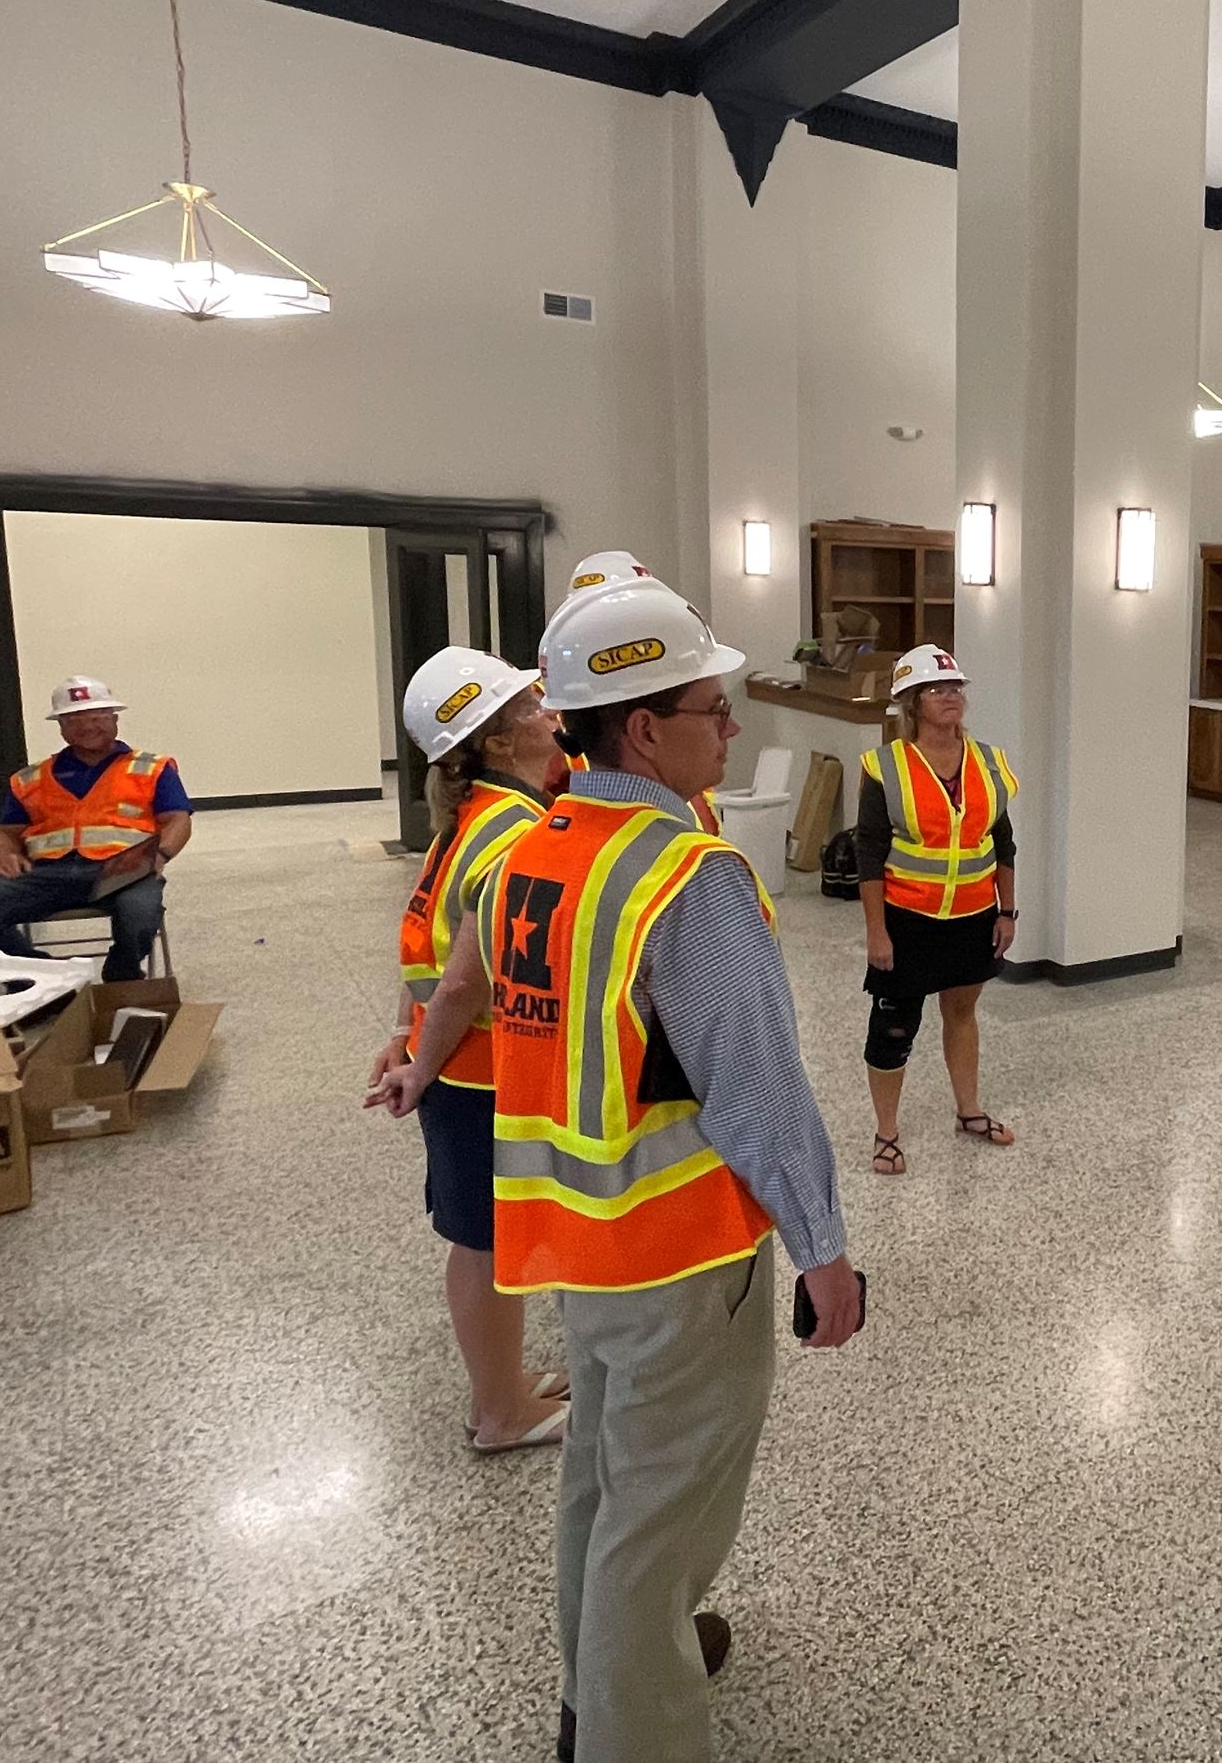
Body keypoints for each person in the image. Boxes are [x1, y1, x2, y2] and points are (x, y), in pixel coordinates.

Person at [382, 576, 862, 1763]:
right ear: (643, 727)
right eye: (715, 705)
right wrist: (825, 1250)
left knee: (603, 1475)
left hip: (575, 1240)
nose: (734, 725)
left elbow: (469, 989)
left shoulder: (530, 849)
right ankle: (629, 1733)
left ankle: (596, 1683)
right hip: (679, 1250)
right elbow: (757, 1089)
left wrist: (410, 1059)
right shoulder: (686, 878)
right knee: (659, 1508)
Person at [363, 646, 571, 1454]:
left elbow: (423, 949)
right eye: (531, 706)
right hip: (477, 1075)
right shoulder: (514, 834)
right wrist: (419, 1061)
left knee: (486, 1235)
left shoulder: (470, 821)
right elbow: (462, 983)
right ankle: (499, 1414)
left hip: (450, 1065)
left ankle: (504, 1385)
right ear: (496, 741)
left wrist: (403, 1040)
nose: (551, 714)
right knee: (486, 1243)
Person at [855, 644, 1020, 1175]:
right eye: (936, 689)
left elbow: (1004, 843)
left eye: (955, 688)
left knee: (962, 1012)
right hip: (907, 920)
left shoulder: (988, 762)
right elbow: (869, 856)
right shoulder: (886, 767)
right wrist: (876, 934)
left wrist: (1007, 912)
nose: (951, 697)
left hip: (973, 915)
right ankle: (887, 1133)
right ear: (911, 702)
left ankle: (968, 1112)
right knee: (895, 1027)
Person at [0, 676, 191, 982]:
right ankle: (45, 976)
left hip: (122, 873)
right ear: (61, 726)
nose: (87, 726)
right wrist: (5, 855)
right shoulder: (31, 778)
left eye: (96, 716)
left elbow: (177, 819)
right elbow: (4, 831)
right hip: (45, 874)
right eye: (74, 719)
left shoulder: (151, 768)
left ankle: (121, 973)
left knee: (139, 914)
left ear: (114, 718)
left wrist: (160, 854)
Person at [557, 551, 722, 836]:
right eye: (717, 711)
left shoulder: (525, 852)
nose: (730, 728)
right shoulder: (702, 869)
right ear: (645, 730)